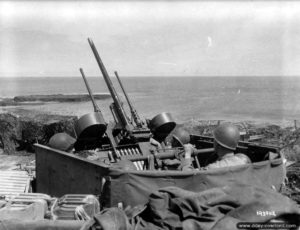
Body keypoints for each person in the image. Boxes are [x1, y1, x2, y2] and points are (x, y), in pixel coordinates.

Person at [181, 123, 251, 171]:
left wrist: (187, 154)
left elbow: (188, 175)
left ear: (217, 144)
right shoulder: (244, 160)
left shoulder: (213, 168)